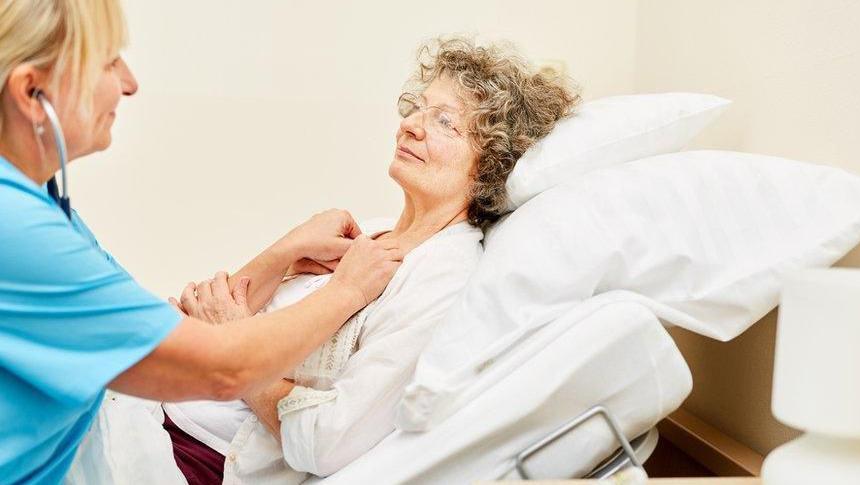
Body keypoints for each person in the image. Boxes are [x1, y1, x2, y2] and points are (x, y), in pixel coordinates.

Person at [0, 1, 401, 482]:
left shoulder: (38, 202)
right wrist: (348, 291)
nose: (129, 83)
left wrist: (282, 254)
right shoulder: (15, 229)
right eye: (108, 62)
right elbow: (216, 370)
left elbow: (164, 328)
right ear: (30, 91)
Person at [159, 37, 578, 484]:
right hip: (156, 407)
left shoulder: (442, 275)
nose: (411, 126)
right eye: (417, 107)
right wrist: (285, 250)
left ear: (493, 162)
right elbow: (197, 322)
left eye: (444, 121)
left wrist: (235, 350)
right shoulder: (368, 232)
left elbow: (327, 441)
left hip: (191, 458)